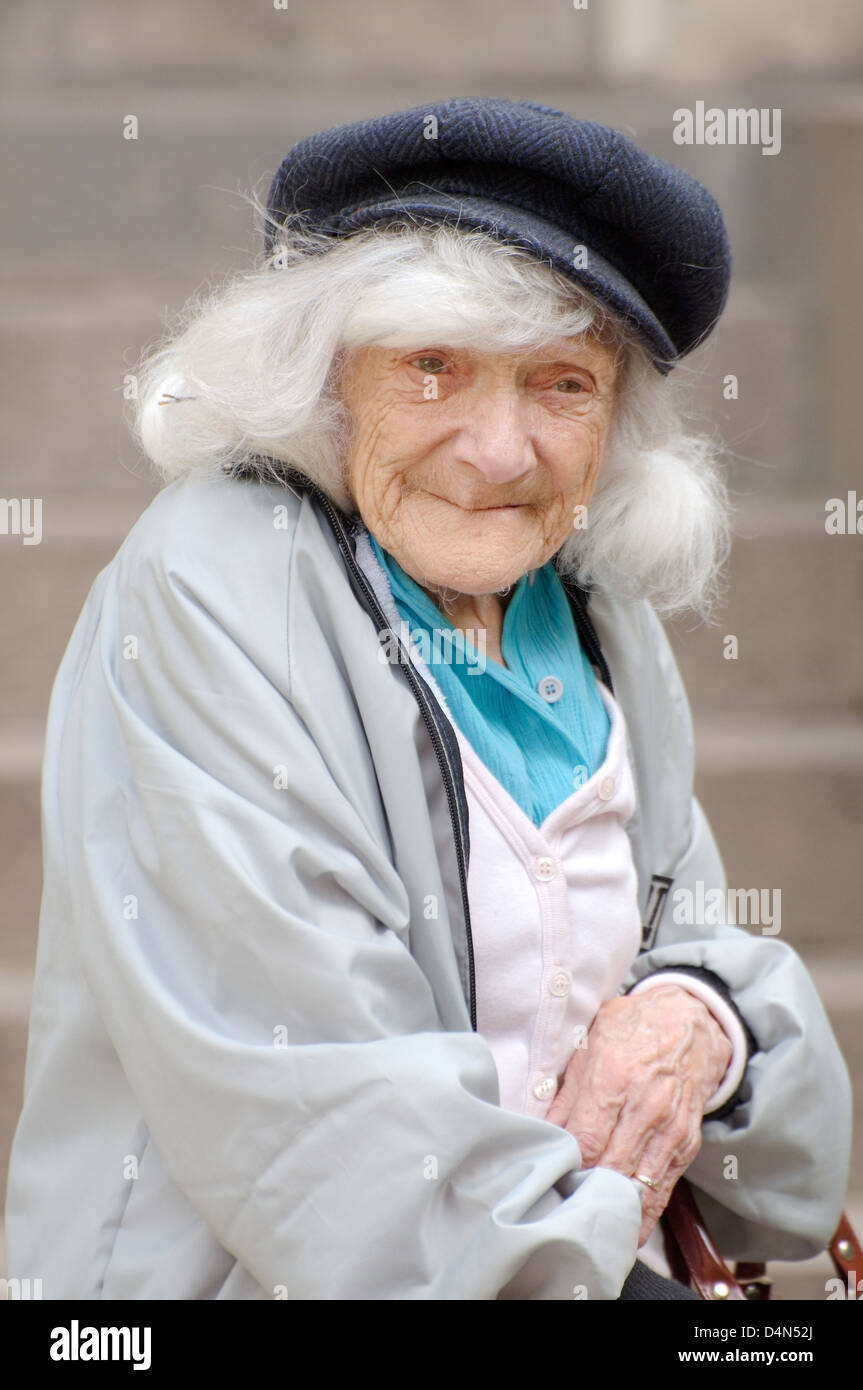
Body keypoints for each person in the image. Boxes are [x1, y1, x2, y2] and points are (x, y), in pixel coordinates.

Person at [4, 97, 852, 1301]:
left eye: (560, 384)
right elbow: (324, 1124)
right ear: (327, 382)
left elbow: (774, 1126)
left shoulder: (595, 615)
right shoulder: (213, 587)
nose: (498, 450)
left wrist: (702, 1021)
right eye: (432, 368)